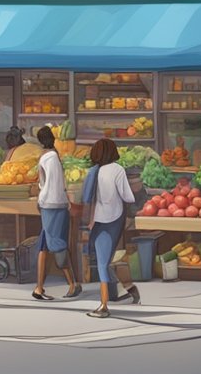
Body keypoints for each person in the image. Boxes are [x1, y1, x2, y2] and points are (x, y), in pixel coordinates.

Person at [80, 138, 138, 318]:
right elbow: (128, 197)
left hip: (98, 221)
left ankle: (104, 306)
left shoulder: (93, 172)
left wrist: (86, 222)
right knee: (106, 261)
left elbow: (87, 200)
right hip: (115, 219)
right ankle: (126, 291)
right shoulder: (118, 170)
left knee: (102, 262)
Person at [32, 126, 80, 301]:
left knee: (45, 246)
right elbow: (54, 185)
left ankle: (39, 288)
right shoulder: (52, 157)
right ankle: (72, 284)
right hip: (54, 206)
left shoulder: (45, 157)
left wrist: (40, 201)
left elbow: (45, 184)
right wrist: (65, 203)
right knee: (58, 245)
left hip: (47, 205)